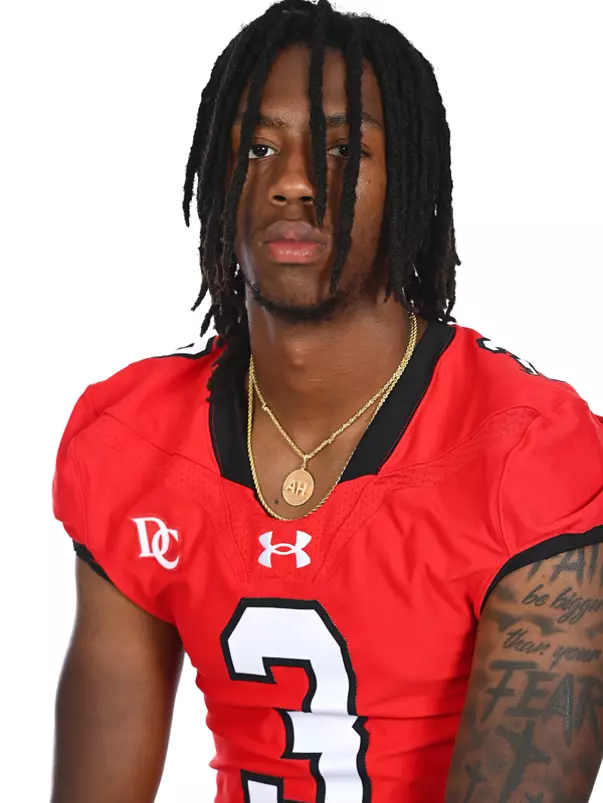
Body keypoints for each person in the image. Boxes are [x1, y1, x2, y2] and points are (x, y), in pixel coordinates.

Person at [50, 1, 603, 801]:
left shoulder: (531, 451)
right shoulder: (130, 436)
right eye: (259, 145)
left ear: (410, 174)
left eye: (344, 149)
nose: (293, 183)